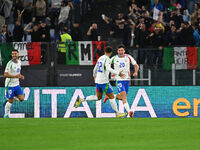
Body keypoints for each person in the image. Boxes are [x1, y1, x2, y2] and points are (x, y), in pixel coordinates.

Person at [75, 46, 127, 118]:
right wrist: (118, 73)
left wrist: (94, 77)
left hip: (98, 81)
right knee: (111, 97)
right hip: (104, 82)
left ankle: (82, 99)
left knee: (98, 97)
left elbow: (95, 69)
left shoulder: (100, 58)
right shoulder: (107, 59)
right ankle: (117, 113)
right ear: (111, 53)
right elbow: (108, 68)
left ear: (104, 52)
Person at [103, 44, 139, 117]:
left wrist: (136, 72)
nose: (120, 52)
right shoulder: (114, 58)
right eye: (119, 50)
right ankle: (129, 112)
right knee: (124, 98)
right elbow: (107, 65)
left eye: (122, 50)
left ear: (124, 51)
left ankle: (109, 96)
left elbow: (136, 65)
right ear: (117, 51)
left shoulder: (128, 57)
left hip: (127, 80)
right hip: (119, 80)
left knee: (122, 97)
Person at [3, 49, 25, 118]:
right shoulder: (10, 64)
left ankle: (10, 97)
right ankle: (6, 115)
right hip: (10, 85)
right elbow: (5, 74)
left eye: (15, 54)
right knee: (10, 101)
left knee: (21, 99)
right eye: (12, 54)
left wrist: (20, 76)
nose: (14, 55)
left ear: (18, 54)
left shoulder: (19, 62)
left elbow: (17, 72)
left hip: (17, 84)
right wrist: (15, 76)